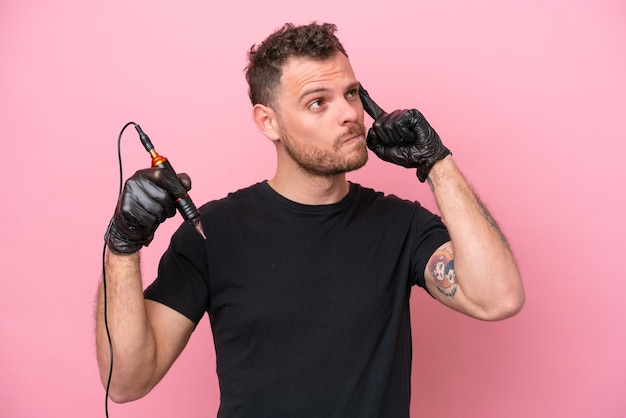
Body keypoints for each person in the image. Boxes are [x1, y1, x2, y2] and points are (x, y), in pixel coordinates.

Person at [96, 22, 525, 417]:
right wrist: (123, 243)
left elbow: (498, 297)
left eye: (352, 93)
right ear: (269, 122)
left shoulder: (401, 225)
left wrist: (436, 162)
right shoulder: (212, 234)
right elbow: (126, 382)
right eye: (318, 102)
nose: (349, 114)